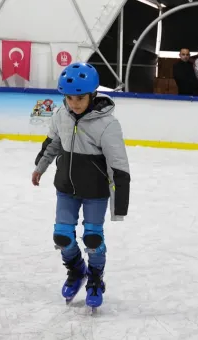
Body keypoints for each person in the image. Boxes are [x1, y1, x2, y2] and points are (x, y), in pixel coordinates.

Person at [32, 62, 131, 310]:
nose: (74, 103)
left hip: (95, 192)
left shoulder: (107, 124)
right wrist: (40, 167)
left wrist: (119, 205)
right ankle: (77, 270)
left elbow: (118, 164)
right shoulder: (60, 115)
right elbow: (52, 143)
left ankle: (96, 278)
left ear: (93, 94)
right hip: (66, 187)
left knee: (93, 238)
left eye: (79, 97)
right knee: (62, 237)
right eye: (69, 97)